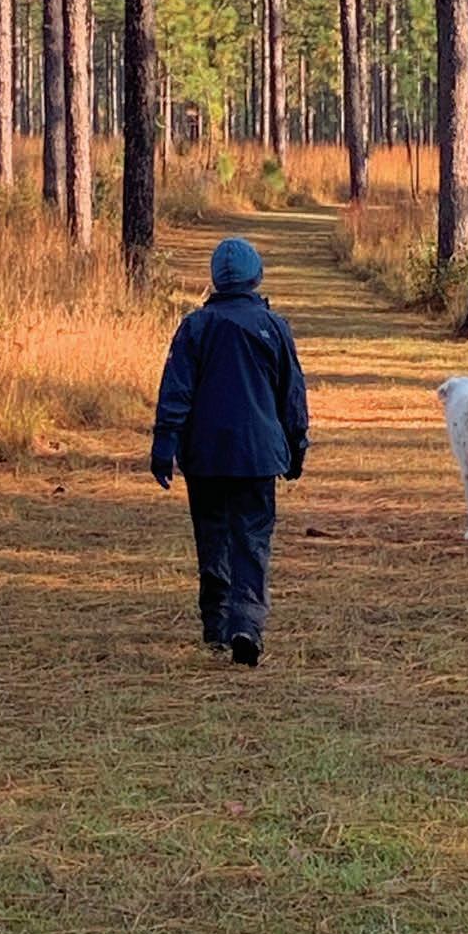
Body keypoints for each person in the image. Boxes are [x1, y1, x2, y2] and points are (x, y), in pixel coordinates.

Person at [150, 236, 308, 666]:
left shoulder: (196, 327)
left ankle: (216, 622)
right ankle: (246, 624)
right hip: (258, 456)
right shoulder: (273, 327)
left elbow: (176, 391)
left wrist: (164, 444)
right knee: (252, 540)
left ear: (216, 280)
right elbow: (291, 396)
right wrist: (297, 447)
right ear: (256, 277)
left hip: (205, 456)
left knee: (212, 536)